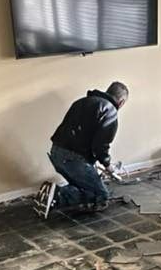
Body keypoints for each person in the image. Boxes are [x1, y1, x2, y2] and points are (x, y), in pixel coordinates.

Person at [34, 81, 130, 219]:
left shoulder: (82, 101)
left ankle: (53, 194)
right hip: (73, 159)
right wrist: (108, 166)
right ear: (121, 102)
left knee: (84, 187)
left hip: (56, 152)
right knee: (101, 196)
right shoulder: (110, 111)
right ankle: (57, 194)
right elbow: (100, 146)